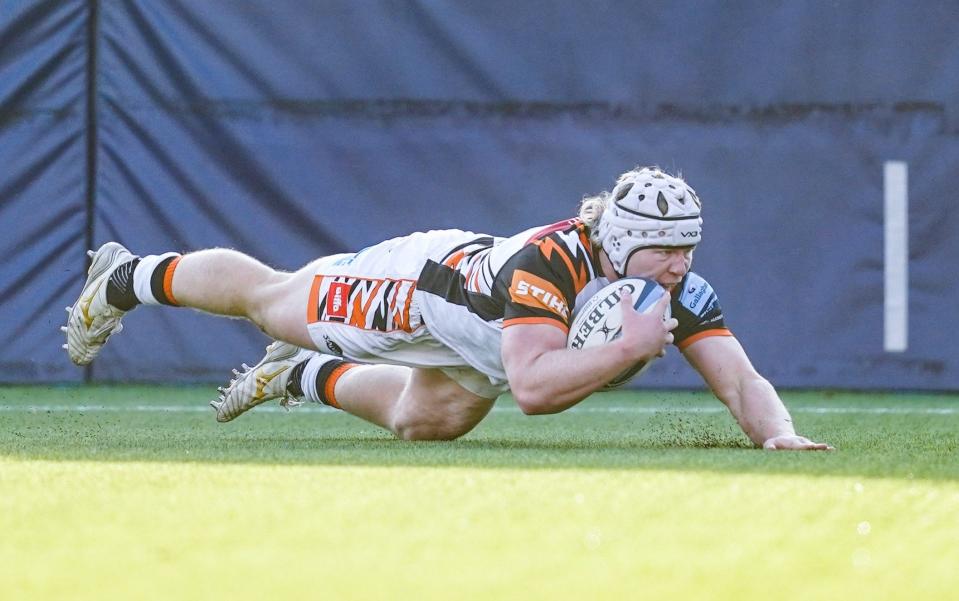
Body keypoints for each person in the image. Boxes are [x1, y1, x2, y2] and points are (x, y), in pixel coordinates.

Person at [64, 166, 832, 450]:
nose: (681, 264)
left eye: (688, 246)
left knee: (419, 422)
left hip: (488, 338)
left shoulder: (674, 290)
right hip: (422, 289)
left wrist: (779, 433)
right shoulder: (551, 264)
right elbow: (533, 391)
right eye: (665, 248)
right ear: (621, 238)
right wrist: (626, 347)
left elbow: (739, 379)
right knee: (269, 300)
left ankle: (301, 379)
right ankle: (128, 274)